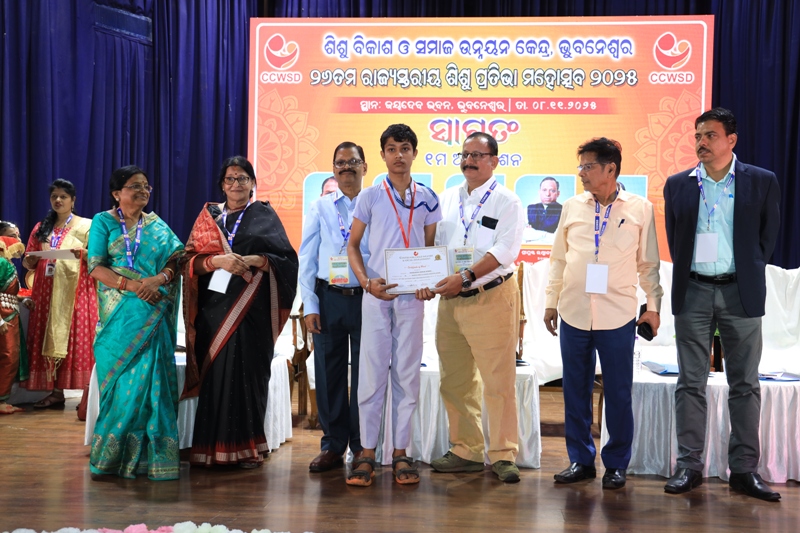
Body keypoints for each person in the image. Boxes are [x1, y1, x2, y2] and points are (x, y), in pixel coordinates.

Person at [663, 108, 781, 502]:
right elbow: (676, 238)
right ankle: (689, 466)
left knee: (744, 384)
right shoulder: (678, 184)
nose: (702, 142)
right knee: (690, 383)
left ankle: (744, 470)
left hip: (739, 292)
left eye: (710, 135)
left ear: (731, 140)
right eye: (698, 135)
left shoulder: (761, 181)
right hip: (693, 291)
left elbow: (767, 239)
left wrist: (743, 270)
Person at [544, 137, 662, 490]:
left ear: (610, 169)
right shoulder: (571, 206)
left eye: (588, 166)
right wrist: (551, 301)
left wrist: (653, 307)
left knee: (619, 392)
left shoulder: (640, 208)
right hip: (574, 311)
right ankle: (580, 460)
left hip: (618, 315)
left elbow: (648, 265)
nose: (581, 173)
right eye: (580, 166)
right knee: (574, 391)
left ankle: (616, 463)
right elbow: (558, 259)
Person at [422, 132, 525, 483]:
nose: (469, 161)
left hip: (491, 297)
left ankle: (503, 454)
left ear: (494, 161)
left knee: (498, 381)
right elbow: (436, 247)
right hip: (451, 302)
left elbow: (505, 251)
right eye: (464, 155)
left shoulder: (508, 201)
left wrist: (465, 277)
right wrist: (426, 278)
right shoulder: (447, 198)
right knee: (455, 380)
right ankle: (466, 449)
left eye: (477, 155)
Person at [182, 156, 298, 469]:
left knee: (247, 377)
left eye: (243, 178)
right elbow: (188, 261)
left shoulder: (264, 214)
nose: (236, 184)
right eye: (230, 179)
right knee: (217, 376)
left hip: (251, 311)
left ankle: (246, 448)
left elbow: (287, 261)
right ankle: (210, 448)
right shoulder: (209, 218)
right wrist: (216, 262)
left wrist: (258, 260)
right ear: (222, 184)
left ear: (253, 184)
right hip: (213, 311)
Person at [345, 124, 441, 486]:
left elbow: (429, 251)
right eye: (391, 149)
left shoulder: (428, 197)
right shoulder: (370, 196)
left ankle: (401, 452)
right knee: (370, 374)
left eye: (404, 148)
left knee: (407, 373)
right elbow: (353, 245)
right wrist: (366, 282)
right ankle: (367, 452)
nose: (398, 155)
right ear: (383, 155)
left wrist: (428, 283)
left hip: (412, 298)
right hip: (377, 293)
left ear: (414, 153)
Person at [87, 166, 184, 480]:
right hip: (120, 319)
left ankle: (153, 460)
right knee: (122, 389)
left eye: (146, 186)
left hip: (154, 313)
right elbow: (95, 267)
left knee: (155, 387)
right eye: (134, 186)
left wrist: (159, 279)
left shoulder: (156, 225)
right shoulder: (103, 222)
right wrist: (134, 286)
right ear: (117, 193)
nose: (142, 191)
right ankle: (112, 459)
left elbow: (178, 258)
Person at [299, 142, 369, 472]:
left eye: (353, 162)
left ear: (364, 167)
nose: (346, 167)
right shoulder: (320, 207)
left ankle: (363, 444)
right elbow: (307, 258)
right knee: (329, 373)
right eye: (340, 162)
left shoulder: (376, 202)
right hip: (328, 298)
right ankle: (332, 444)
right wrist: (310, 305)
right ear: (334, 169)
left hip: (368, 299)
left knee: (367, 375)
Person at [21, 179, 97, 408]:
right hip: (45, 291)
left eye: (63, 196)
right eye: (54, 196)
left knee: (76, 337)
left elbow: (98, 257)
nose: (58, 200)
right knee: (49, 335)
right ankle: (56, 393)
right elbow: (28, 260)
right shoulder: (41, 227)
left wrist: (82, 252)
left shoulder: (87, 225)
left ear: (73, 200)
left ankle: (87, 396)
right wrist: (30, 260)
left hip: (76, 291)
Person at [0, 233, 26, 414]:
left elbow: (8, 293)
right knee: (8, 356)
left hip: (9, 312)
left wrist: (24, 300)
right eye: (12, 235)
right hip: (4, 315)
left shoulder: (6, 263)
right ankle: (1, 400)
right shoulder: (1, 263)